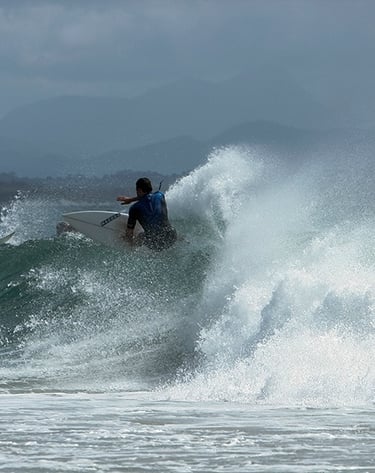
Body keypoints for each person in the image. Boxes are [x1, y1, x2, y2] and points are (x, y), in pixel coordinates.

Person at [117, 177, 177, 251]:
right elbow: (149, 197)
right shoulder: (160, 195)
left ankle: (133, 250)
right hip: (172, 236)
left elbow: (129, 233)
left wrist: (126, 239)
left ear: (139, 190)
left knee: (140, 237)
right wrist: (131, 199)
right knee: (167, 230)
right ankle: (181, 240)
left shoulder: (135, 208)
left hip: (156, 243)